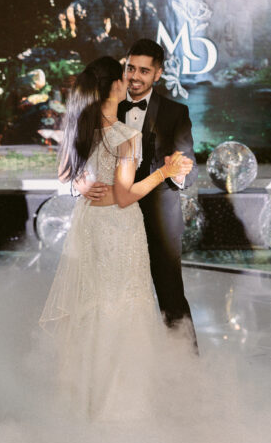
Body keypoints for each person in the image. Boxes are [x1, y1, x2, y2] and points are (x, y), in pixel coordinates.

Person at [39, 56, 192, 421]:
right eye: (124, 77)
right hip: (120, 228)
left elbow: (64, 174)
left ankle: (84, 400)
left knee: (95, 305)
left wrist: (82, 182)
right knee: (126, 304)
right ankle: (123, 406)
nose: (129, 81)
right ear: (115, 87)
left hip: (90, 224)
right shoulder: (125, 135)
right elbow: (125, 196)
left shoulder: (81, 125)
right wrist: (165, 172)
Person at [77, 39, 198, 341]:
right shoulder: (106, 104)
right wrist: (79, 181)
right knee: (110, 300)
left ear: (158, 74)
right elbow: (77, 155)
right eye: (130, 68)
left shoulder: (176, 112)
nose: (135, 77)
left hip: (159, 221)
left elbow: (189, 164)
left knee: (171, 299)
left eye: (144, 71)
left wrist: (180, 170)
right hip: (112, 221)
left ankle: (185, 372)